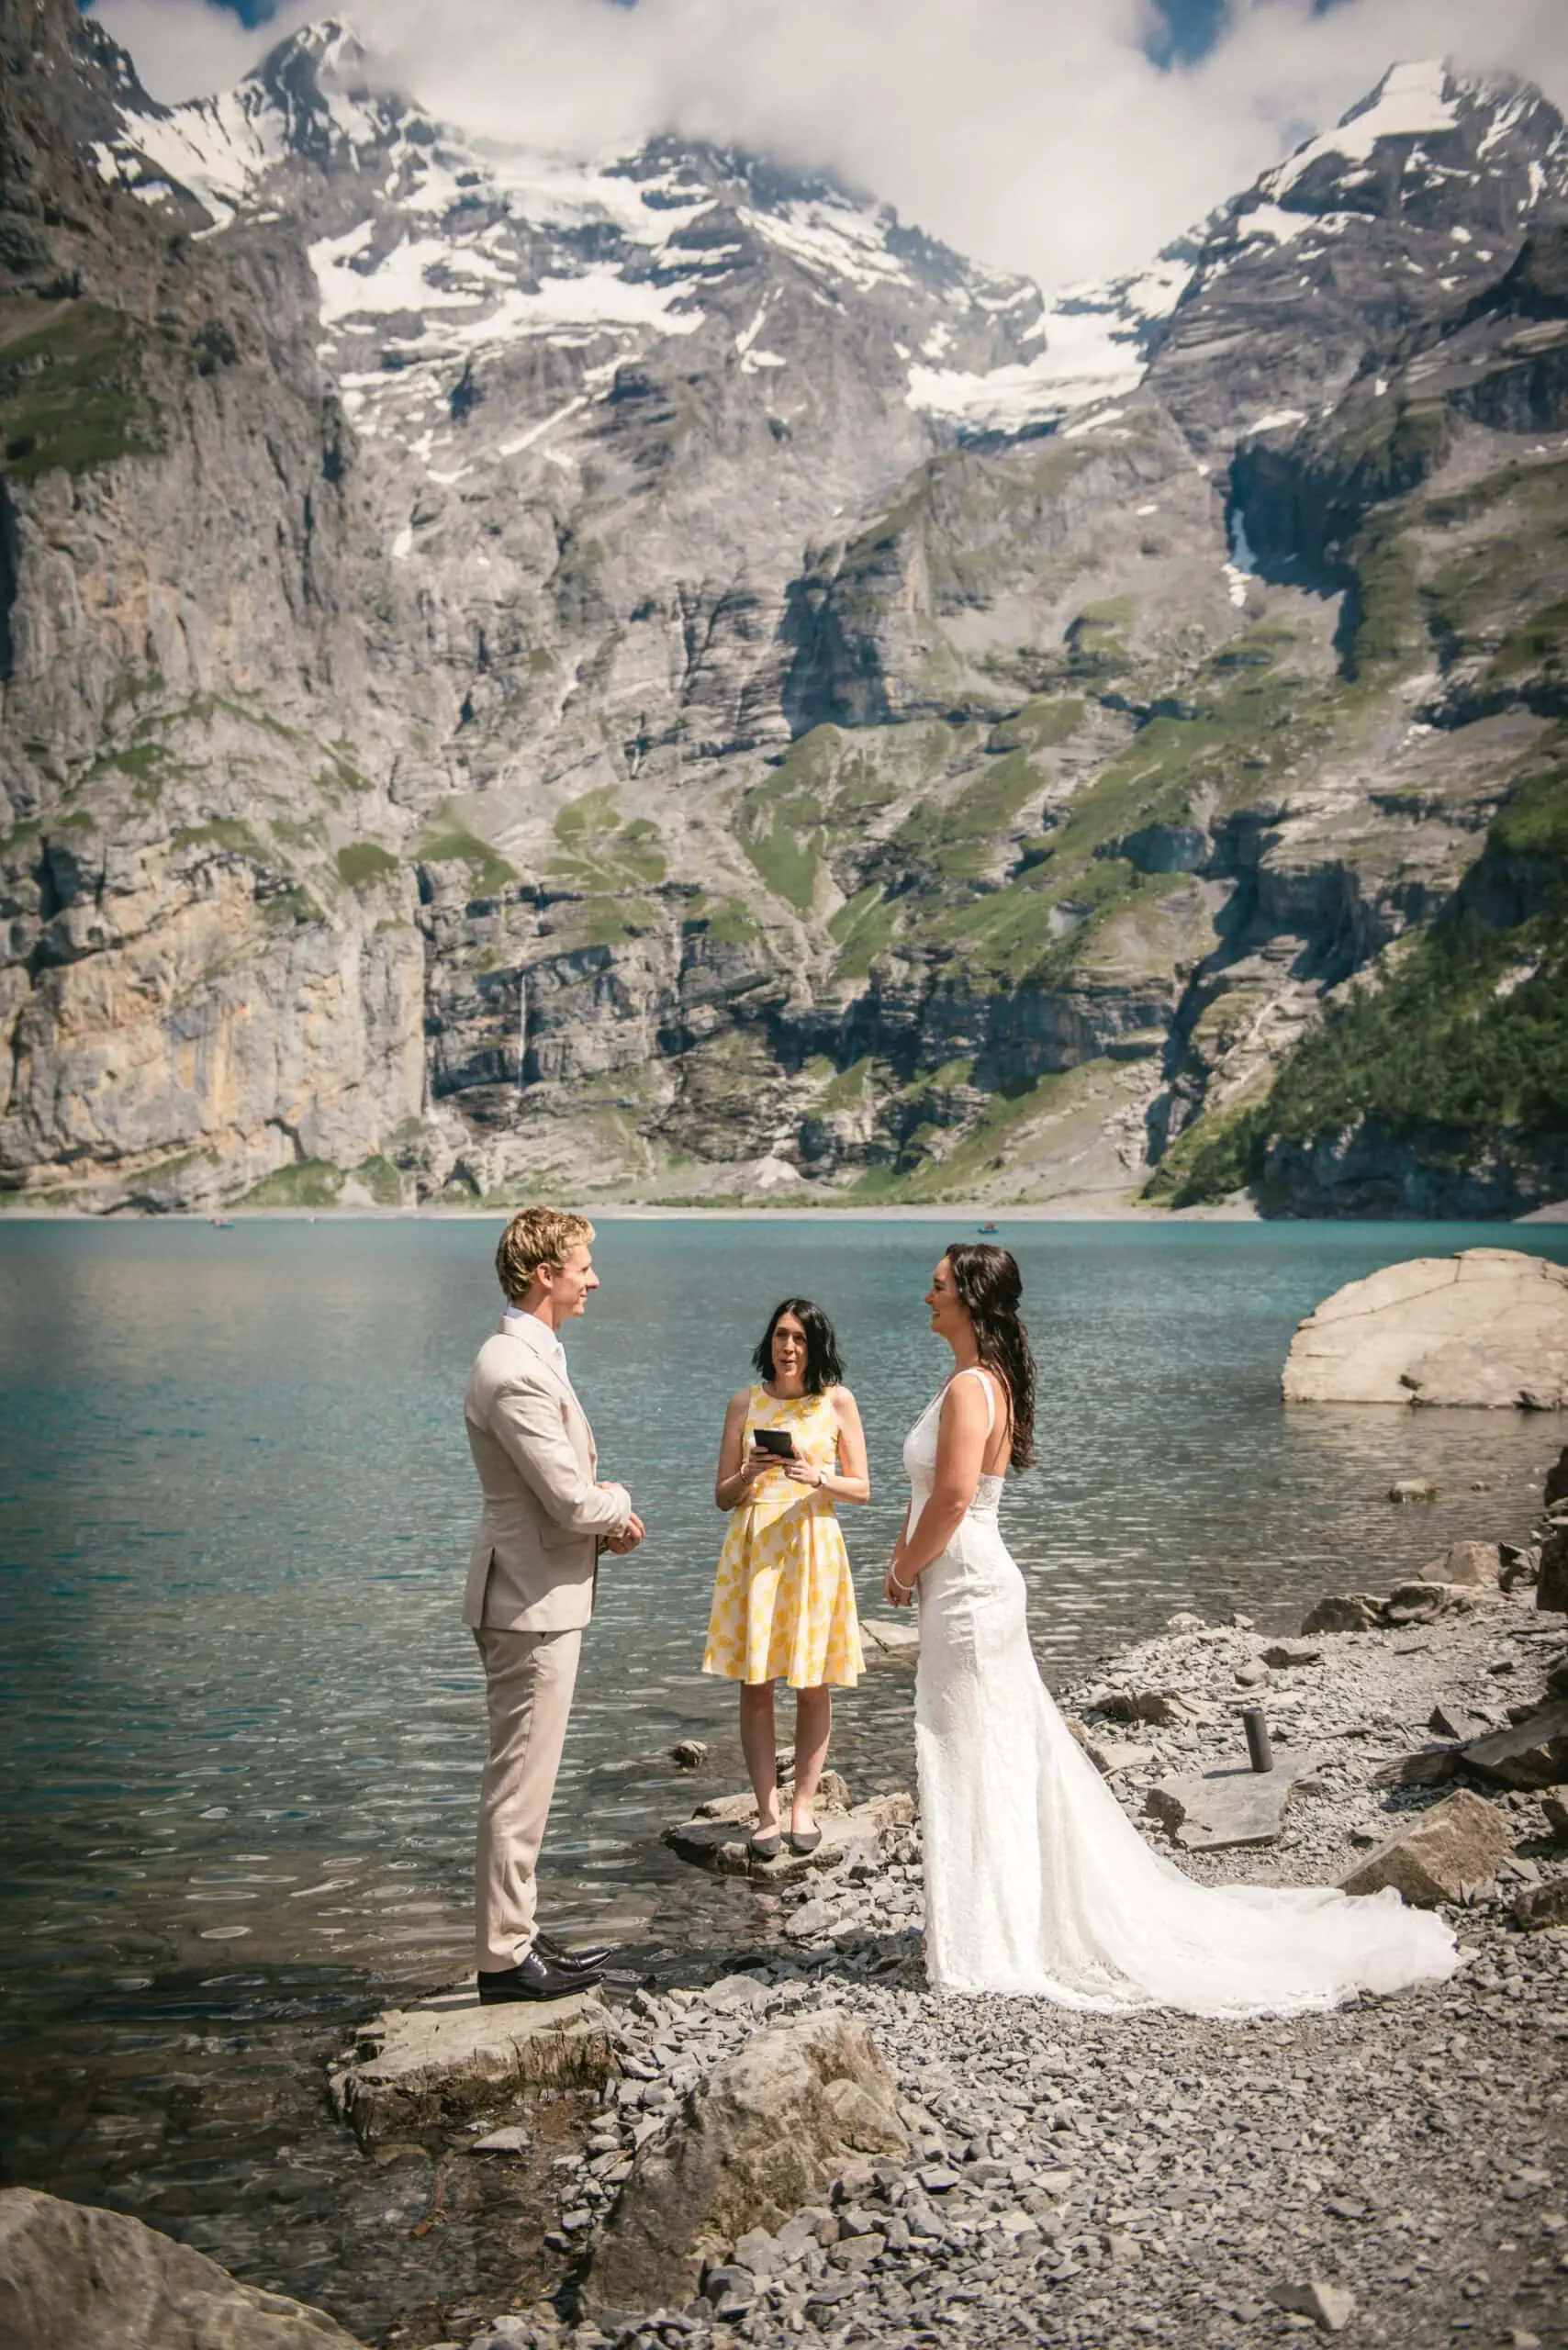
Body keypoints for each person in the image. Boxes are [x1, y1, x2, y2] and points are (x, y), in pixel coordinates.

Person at [883, 1242, 1461, 2014]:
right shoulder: (982, 1381)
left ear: (970, 1298)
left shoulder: (970, 1387)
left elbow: (955, 1499)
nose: (927, 1297)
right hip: (962, 1582)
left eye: (938, 1287)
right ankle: (994, 1918)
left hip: (966, 1588)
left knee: (976, 1750)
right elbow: (936, 1496)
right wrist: (905, 1553)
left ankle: (992, 1932)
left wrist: (902, 1569)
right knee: (991, 1749)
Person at [462, 1206, 644, 2002]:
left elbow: (558, 1500)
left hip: (537, 1591)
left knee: (527, 1778)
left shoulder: (530, 1357)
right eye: (582, 1266)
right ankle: (504, 1960)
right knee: (519, 1784)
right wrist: (619, 1504)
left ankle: (518, 1935)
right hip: (528, 1602)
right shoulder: (513, 1368)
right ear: (545, 1274)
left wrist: (601, 1525)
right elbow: (569, 1499)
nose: (593, 1280)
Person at [705, 1299, 869, 1858]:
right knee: (755, 1684)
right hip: (754, 1549)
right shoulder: (743, 1403)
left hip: (811, 1546)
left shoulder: (838, 1401)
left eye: (799, 1338)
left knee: (811, 1681)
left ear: (815, 1345)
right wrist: (747, 1473)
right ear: (769, 1341)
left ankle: (804, 1806)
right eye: (781, 1336)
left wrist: (817, 1476)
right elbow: (722, 1497)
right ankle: (766, 1813)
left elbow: (862, 1489)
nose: (789, 1347)